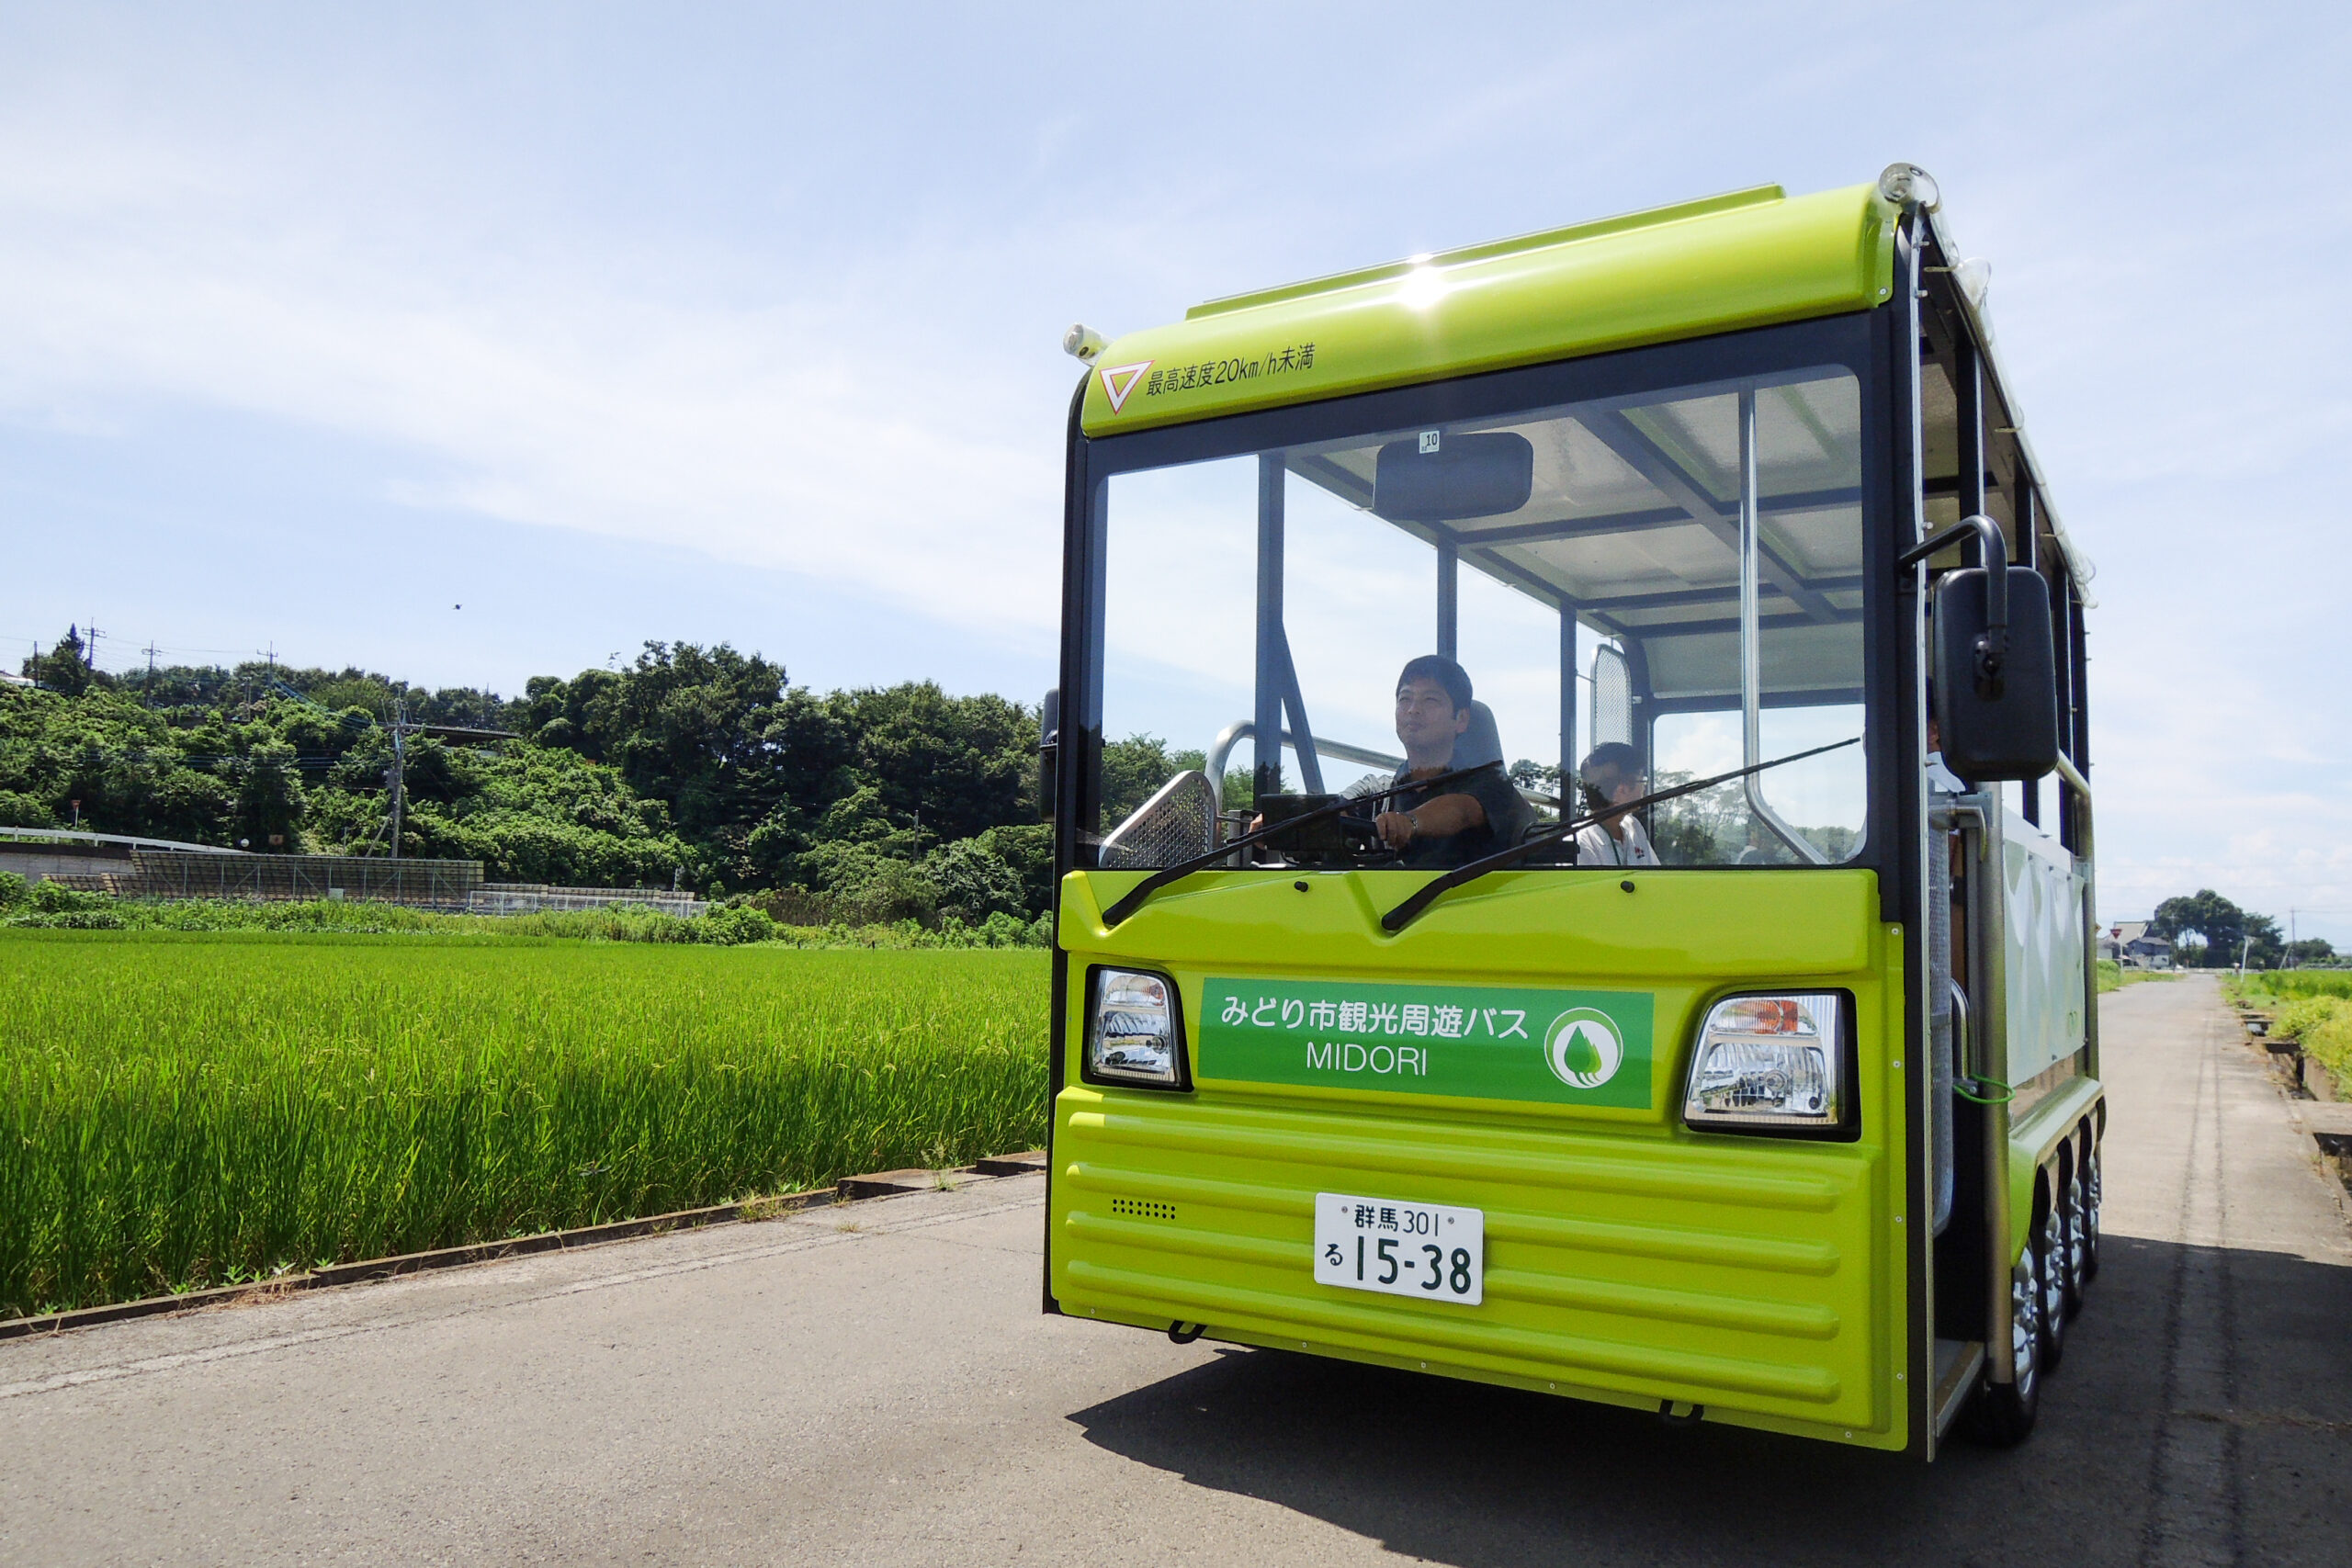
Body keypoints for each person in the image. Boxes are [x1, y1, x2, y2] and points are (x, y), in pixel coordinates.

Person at [1369, 656, 1528, 868]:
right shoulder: (1382, 792)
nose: (1413, 710)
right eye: (1405, 699)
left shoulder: (1494, 784)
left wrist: (1409, 822)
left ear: (1461, 719)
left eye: (1430, 700)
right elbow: (1338, 807)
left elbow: (1461, 811)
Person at [1573, 742, 1660, 868]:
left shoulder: (1633, 826)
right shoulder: (1580, 842)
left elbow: (1655, 876)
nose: (1644, 788)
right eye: (1642, 780)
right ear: (1622, 789)